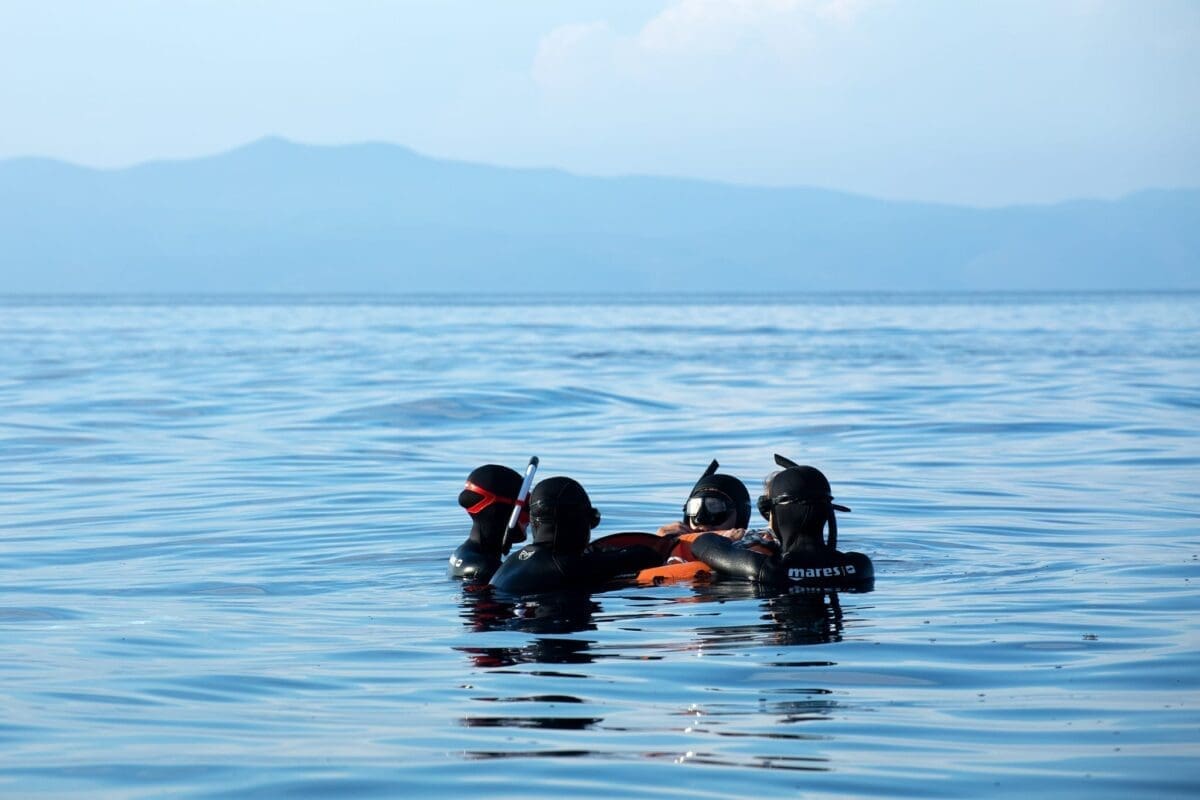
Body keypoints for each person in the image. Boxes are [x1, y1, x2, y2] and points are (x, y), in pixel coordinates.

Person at [689, 460, 873, 591]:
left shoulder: (765, 569)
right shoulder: (859, 565)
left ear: (776, 513)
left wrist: (729, 540)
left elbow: (703, 543)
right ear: (827, 511)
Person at [489, 476, 662, 596]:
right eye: (591, 520)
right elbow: (645, 556)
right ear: (577, 521)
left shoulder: (513, 560)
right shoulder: (566, 567)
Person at [447, 464, 529, 581]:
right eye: (527, 503)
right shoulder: (488, 569)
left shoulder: (465, 552)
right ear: (501, 510)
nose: (531, 514)